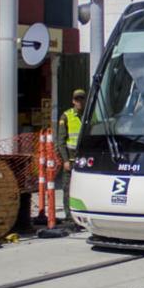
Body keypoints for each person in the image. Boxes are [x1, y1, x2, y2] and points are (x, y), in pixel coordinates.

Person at [57, 88, 85, 226]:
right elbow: (61, 141)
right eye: (77, 99)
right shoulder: (66, 116)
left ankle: (81, 215)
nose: (80, 102)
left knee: (83, 189)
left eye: (82, 99)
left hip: (83, 159)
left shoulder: (88, 115)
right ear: (73, 101)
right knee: (67, 188)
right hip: (71, 159)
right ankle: (69, 217)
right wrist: (65, 160)